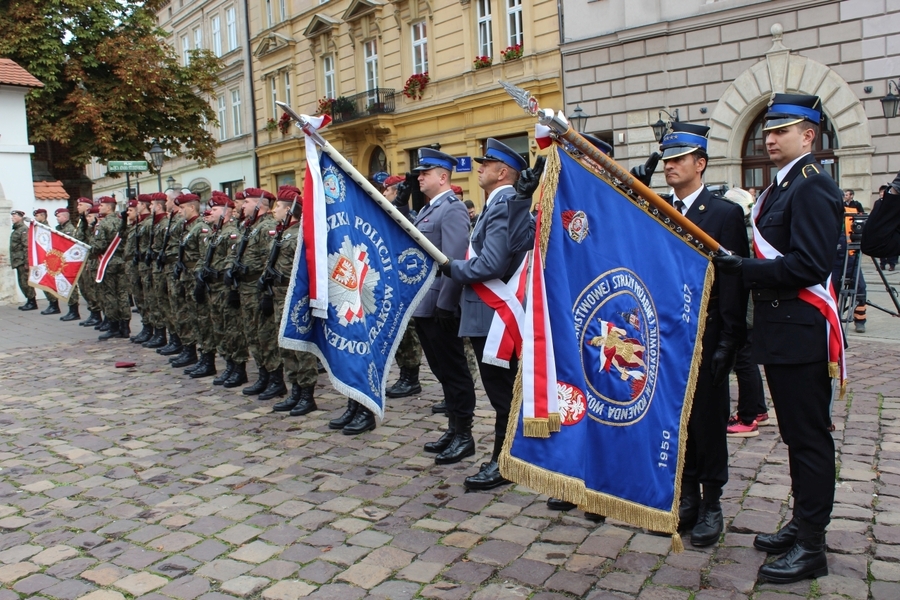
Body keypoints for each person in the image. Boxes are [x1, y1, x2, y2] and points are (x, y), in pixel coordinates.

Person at [714, 93, 843, 584]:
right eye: (768, 130)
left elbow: (810, 265)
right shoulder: (781, 187)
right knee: (794, 436)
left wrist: (744, 269)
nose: (769, 138)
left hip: (801, 334)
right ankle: (802, 523)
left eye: (782, 130)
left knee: (809, 439)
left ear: (808, 136)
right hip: (783, 332)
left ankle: (812, 545)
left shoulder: (811, 187)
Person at [657, 123, 749, 546]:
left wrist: (730, 340)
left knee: (708, 419)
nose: (670, 166)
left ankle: (712, 502)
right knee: (678, 419)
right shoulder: (659, 207)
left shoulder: (724, 213)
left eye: (678, 159)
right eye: (667, 159)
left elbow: (733, 282)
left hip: (707, 330)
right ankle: (688, 495)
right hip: (669, 333)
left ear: (701, 163)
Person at [439, 139, 529, 488]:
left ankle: (503, 463)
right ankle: (509, 457)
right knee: (503, 392)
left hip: (494, 318)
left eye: (486, 163)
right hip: (487, 314)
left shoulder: (503, 204)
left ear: (502, 172)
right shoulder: (499, 204)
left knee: (502, 394)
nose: (479, 167)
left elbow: (492, 263)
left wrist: (453, 268)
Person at [407, 147, 477, 462]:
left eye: (425, 172)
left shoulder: (452, 209)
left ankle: (465, 434)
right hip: (425, 305)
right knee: (441, 371)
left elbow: (454, 260)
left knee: (454, 371)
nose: (419, 177)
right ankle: (453, 427)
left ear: (442, 176)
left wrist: (447, 304)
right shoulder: (427, 210)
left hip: (439, 306)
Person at [267, 186, 323, 418]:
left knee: (301, 346)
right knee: (286, 345)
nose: (274, 211)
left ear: (289, 209)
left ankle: (307, 395)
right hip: (279, 296)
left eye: (277, 206)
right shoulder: (283, 231)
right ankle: (295, 390)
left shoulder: (302, 232)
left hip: (296, 297)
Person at [721, 188, 768, 438]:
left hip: (747, 307)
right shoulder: (752, 229)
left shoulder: (744, 232)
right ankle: (758, 409)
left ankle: (748, 416)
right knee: (747, 361)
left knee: (744, 362)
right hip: (751, 306)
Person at [382, 174, 424, 400]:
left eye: (386, 190)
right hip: (391, 283)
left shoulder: (409, 215)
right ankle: (405, 375)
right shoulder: (386, 215)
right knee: (397, 332)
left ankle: (411, 378)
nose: (384, 194)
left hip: (405, 283)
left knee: (407, 333)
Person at [92, 197, 130, 340]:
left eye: (101, 205)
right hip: (122, 261)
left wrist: (90, 251)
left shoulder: (104, 224)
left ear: (109, 208)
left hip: (108, 262)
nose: (99, 208)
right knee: (123, 294)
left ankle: (114, 326)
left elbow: (99, 245)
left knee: (110, 295)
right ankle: (125, 327)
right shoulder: (122, 222)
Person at [54, 207, 82, 322]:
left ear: (65, 217)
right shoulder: (60, 228)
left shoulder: (69, 229)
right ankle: (71, 309)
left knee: (71, 286)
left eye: (59, 216)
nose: (57, 218)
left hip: (68, 261)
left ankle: (74, 310)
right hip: (62, 261)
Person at [32, 208, 61, 315]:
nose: (36, 218)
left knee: (48, 282)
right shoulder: (38, 227)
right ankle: (52, 304)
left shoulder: (45, 228)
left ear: (43, 216)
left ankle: (54, 305)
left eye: (38, 216)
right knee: (44, 282)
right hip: (42, 260)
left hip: (47, 260)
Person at [9, 210, 37, 311]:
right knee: (22, 282)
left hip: (22, 261)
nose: (12, 218)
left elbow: (26, 247)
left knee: (25, 282)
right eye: (12, 216)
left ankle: (32, 301)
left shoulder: (23, 230)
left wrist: (27, 262)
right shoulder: (16, 230)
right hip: (18, 260)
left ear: (21, 217)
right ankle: (29, 300)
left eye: (14, 216)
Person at [868, 184, 898, 270]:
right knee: (881, 246)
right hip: (880, 228)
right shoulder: (878, 202)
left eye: (883, 192)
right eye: (880, 192)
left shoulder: (891, 202)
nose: (881, 194)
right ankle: (882, 263)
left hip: (891, 228)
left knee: (891, 247)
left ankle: (892, 264)